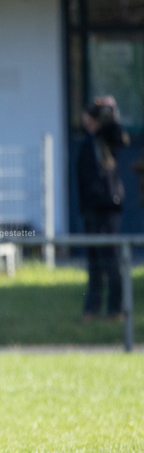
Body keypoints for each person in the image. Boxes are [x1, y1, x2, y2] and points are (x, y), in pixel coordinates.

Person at [77, 96, 128, 322]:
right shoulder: (87, 142)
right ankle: (92, 309)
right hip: (90, 209)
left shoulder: (106, 138)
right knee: (94, 261)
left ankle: (116, 309)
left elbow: (119, 135)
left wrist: (112, 110)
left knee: (110, 259)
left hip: (108, 207)